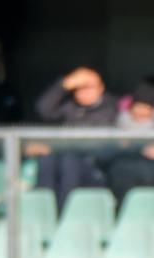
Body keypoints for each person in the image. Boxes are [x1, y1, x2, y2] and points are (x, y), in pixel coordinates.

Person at [33, 67, 117, 208]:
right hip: (66, 159)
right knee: (47, 159)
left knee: (69, 161)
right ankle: (44, 211)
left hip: (96, 166)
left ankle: (65, 214)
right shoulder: (71, 106)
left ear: (100, 88)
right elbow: (44, 109)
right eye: (79, 88)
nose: (84, 92)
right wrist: (65, 84)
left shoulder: (111, 107)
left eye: (88, 87)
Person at [106, 81, 154, 202]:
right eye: (138, 106)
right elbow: (107, 155)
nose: (142, 111)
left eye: (147, 107)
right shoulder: (118, 126)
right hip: (128, 172)